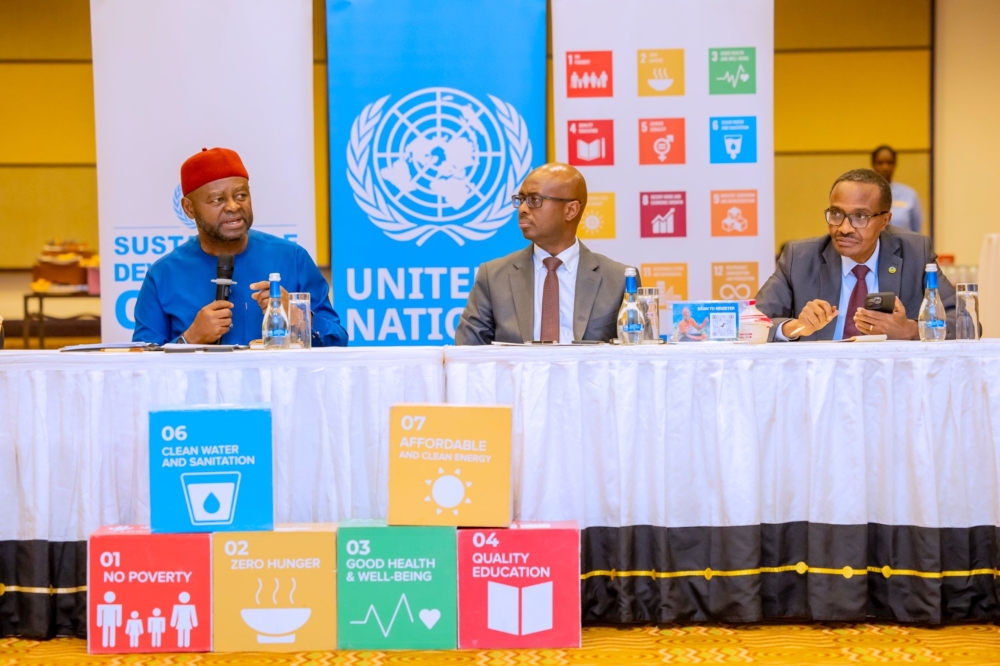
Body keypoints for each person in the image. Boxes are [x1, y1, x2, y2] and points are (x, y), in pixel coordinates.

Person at [132, 147, 348, 346]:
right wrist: (190, 339)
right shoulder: (163, 274)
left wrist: (298, 317)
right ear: (189, 208)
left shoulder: (292, 259)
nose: (234, 206)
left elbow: (338, 341)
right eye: (218, 200)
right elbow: (141, 367)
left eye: (241, 196)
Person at [756, 168, 955, 341]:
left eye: (860, 217)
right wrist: (795, 327)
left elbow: (962, 321)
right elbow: (753, 322)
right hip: (823, 375)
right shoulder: (799, 258)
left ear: (885, 220)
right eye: (836, 214)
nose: (844, 228)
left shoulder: (915, 253)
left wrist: (911, 330)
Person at [455, 163, 633, 344]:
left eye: (534, 200)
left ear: (570, 210)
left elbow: (636, 358)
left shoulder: (619, 280)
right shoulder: (493, 277)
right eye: (521, 199)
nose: (523, 209)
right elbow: (466, 354)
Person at [871, 145, 923, 234]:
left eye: (889, 163)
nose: (885, 167)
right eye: (880, 163)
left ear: (895, 164)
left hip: (904, 247)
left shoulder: (909, 194)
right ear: (873, 165)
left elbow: (916, 229)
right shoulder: (865, 194)